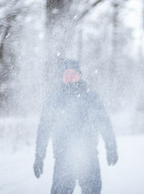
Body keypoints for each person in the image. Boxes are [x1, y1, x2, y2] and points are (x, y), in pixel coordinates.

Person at [33, 59, 118, 194]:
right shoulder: (54, 100)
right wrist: (39, 157)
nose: (70, 77)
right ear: (62, 77)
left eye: (73, 73)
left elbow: (104, 123)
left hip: (89, 157)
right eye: (66, 74)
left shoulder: (91, 98)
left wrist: (111, 147)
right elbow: (44, 129)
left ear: (80, 75)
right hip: (63, 159)